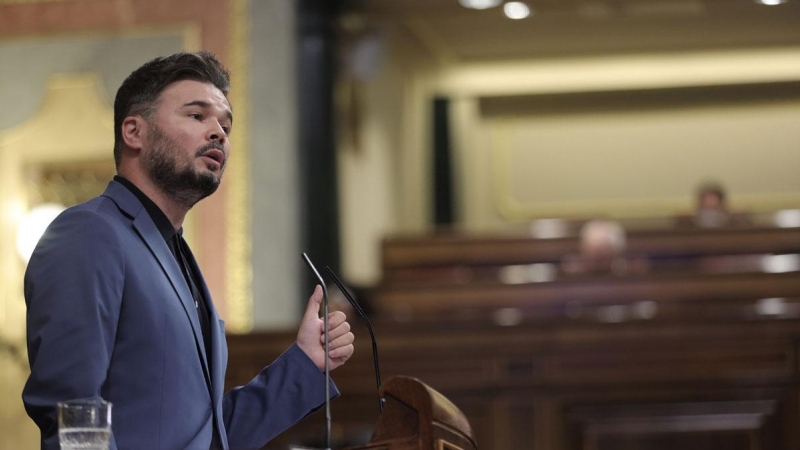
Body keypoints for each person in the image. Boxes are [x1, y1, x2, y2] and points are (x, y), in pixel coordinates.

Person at [22, 51, 355, 450]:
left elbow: (210, 437)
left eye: (225, 126)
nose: (218, 133)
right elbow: (72, 408)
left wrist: (305, 362)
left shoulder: (175, 255)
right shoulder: (90, 233)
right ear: (134, 132)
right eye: (197, 116)